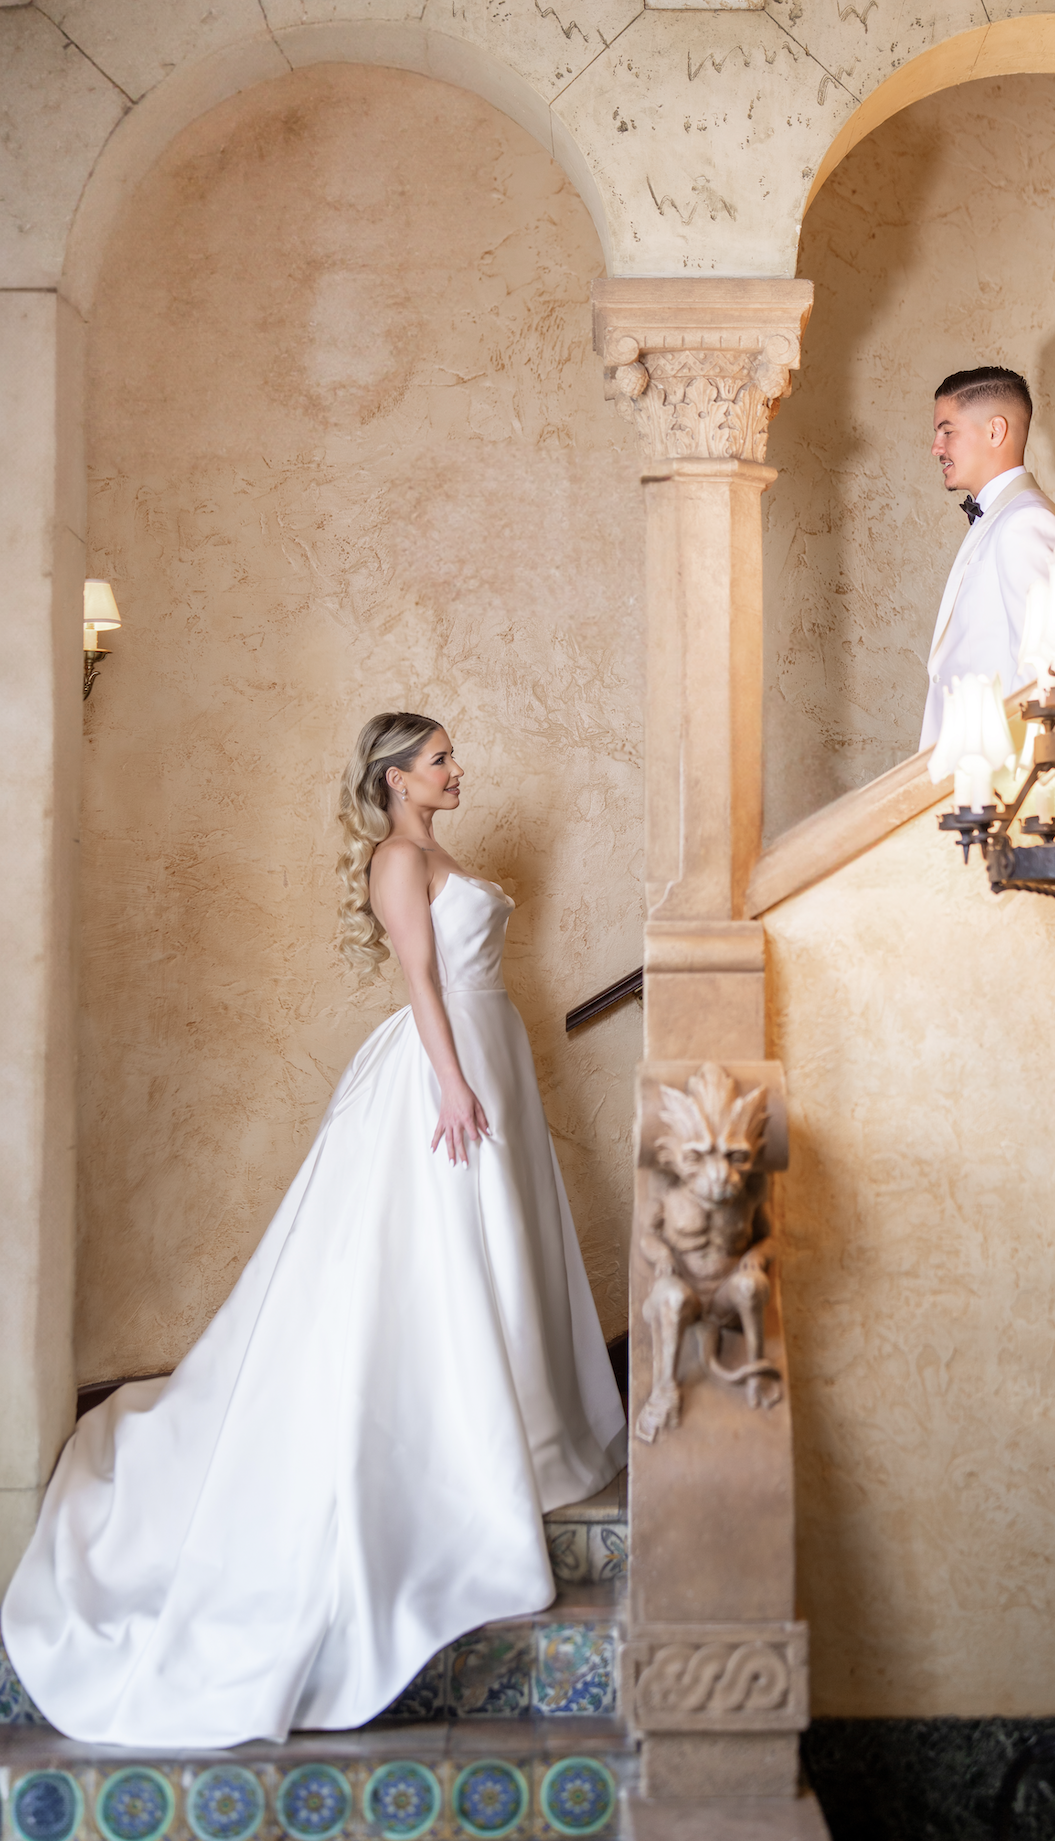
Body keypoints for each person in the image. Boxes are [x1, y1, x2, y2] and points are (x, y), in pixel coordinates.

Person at [1, 711, 626, 1750]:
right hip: (445, 1067)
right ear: (394, 778)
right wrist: (453, 1086)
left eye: (448, 756)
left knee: (491, 1254)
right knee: (430, 1261)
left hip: (483, 1053)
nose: (454, 769)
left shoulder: (432, 849)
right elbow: (420, 981)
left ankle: (514, 1420)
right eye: (437, 760)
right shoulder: (396, 858)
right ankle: (448, 1432)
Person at [919, 366, 1055, 750]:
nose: (936, 447)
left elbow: (1044, 674)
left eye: (947, 431)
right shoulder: (1003, 517)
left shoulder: (1026, 522)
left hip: (997, 782)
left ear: (995, 431)